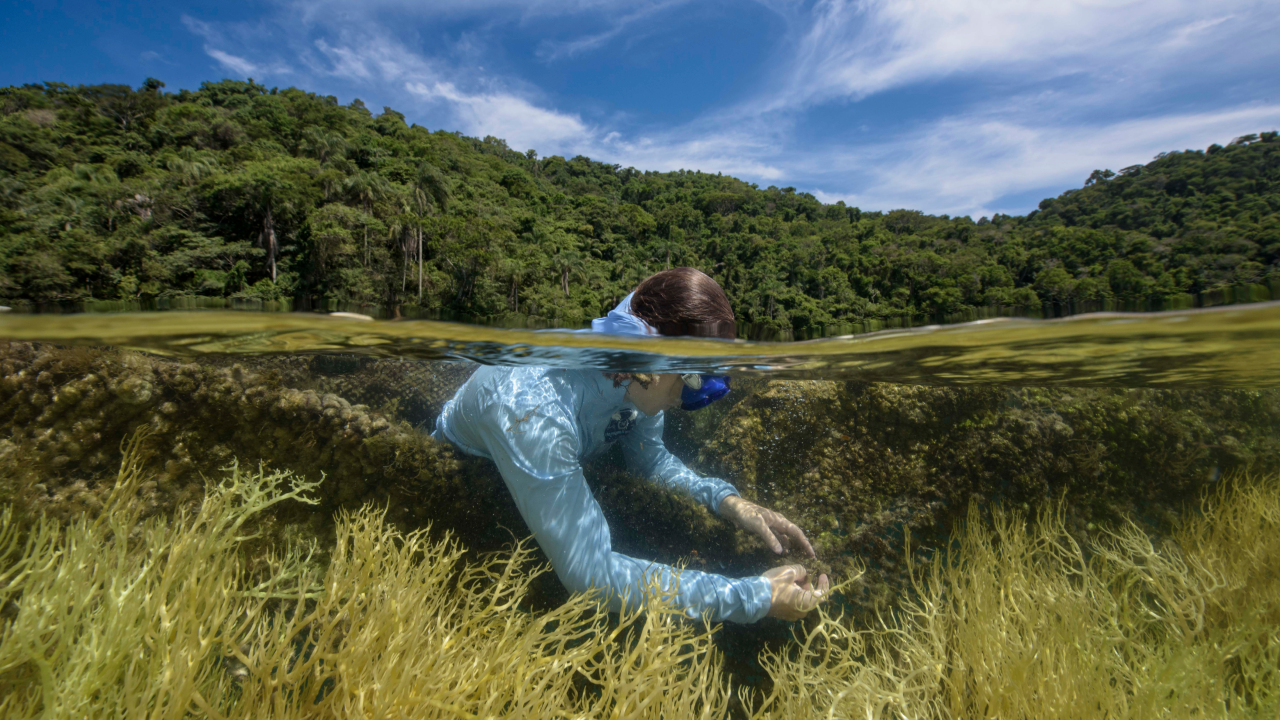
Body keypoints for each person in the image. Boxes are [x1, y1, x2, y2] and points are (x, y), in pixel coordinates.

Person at [432, 268, 829, 623]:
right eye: (695, 383)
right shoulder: (535, 410)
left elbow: (650, 462)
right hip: (464, 482)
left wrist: (728, 502)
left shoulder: (641, 381)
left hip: (546, 482)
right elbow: (592, 577)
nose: (691, 401)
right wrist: (756, 596)